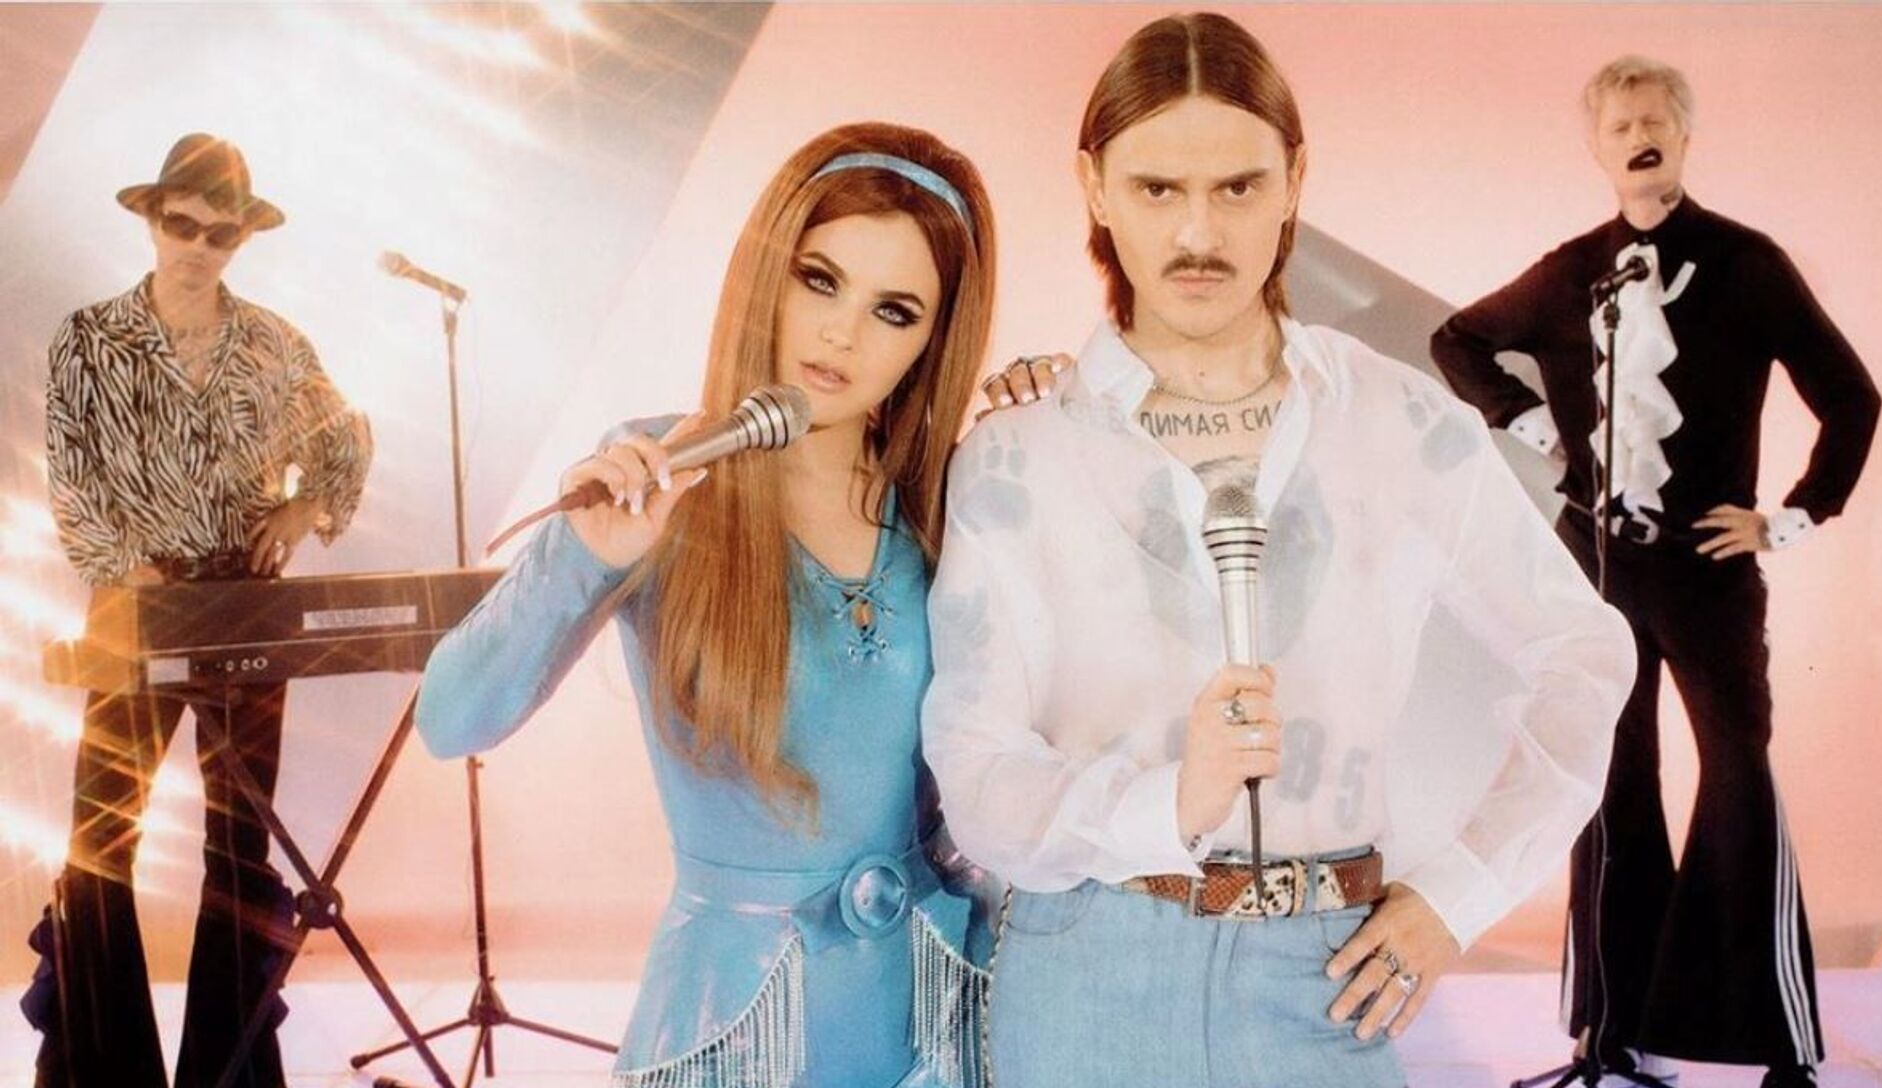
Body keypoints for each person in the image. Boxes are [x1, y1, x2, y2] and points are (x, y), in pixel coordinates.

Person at [919, 14, 1638, 1087]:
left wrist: (1460, 892)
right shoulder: (1020, 453)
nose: (1197, 232)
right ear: (1094, 186)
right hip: (1085, 972)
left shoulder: (1401, 422)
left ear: (1296, 179)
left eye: (1238, 187)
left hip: (1327, 974)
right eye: (1157, 188)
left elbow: (1583, 651)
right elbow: (975, 765)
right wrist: (1169, 803)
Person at [417, 122, 999, 1088]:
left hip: (934, 1016)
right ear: (768, 272)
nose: (842, 333)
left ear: (934, 340)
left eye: (894, 311)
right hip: (737, 1021)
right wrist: (586, 559)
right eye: (820, 280)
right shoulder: (660, 473)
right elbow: (451, 719)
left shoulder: (945, 500)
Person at [1430, 56, 1880, 1087]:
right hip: (1596, 568)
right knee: (1611, 782)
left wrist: (1791, 518)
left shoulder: (1748, 264)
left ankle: (1778, 1048)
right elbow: (1459, 341)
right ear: (1598, 147)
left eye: (1655, 121)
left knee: (1738, 773)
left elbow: (1851, 397)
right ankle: (1610, 1036)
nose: (1639, 135)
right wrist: (1530, 422)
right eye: (1620, 123)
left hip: (1708, 573)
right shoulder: (1570, 272)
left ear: (1683, 136)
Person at [26, 133, 373, 1088]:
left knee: (239, 842)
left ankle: (234, 1070)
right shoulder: (88, 339)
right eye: (183, 225)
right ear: (152, 218)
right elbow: (72, 483)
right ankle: (100, 1069)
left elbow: (347, 435)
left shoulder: (273, 343)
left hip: (245, 608)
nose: (198, 247)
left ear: (242, 239)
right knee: (102, 839)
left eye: (221, 234)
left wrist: (305, 508)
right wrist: (130, 573)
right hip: (133, 602)